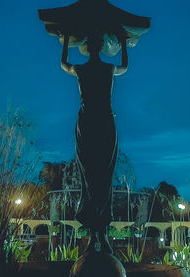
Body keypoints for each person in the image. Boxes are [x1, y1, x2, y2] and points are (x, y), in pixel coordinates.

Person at [60, 31, 127, 253]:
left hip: (88, 124)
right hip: (104, 124)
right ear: (101, 46)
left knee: (89, 177)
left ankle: (95, 235)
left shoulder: (81, 69)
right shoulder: (108, 69)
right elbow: (124, 66)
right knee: (103, 177)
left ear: (88, 47)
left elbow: (63, 64)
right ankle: (100, 235)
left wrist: (67, 39)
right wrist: (124, 42)